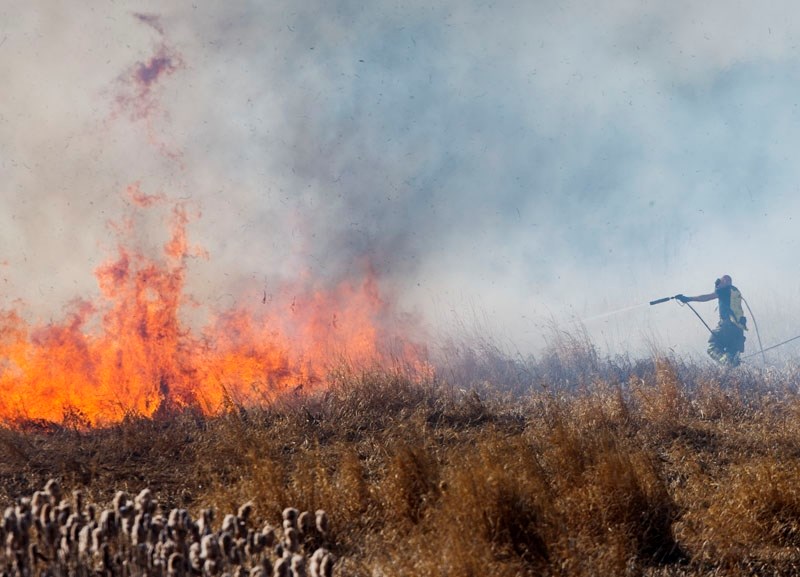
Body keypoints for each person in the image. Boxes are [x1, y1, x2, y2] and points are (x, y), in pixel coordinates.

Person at [675, 275, 747, 366]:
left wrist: (688, 299)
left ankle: (725, 363)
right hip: (739, 330)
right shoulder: (735, 292)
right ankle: (730, 366)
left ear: (724, 282)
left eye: (719, 282)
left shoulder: (724, 291)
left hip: (726, 326)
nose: (717, 285)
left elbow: (707, 297)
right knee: (731, 353)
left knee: (712, 347)